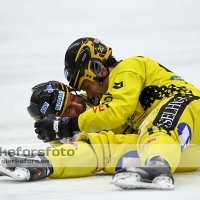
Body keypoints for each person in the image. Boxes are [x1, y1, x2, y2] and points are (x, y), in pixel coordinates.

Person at [35, 37, 200, 189]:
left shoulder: (128, 68)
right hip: (180, 151)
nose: (89, 95)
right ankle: (46, 164)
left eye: (86, 87)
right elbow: (97, 122)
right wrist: (57, 137)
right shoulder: (108, 98)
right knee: (104, 146)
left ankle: (157, 168)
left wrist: (69, 124)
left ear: (98, 69)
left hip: (188, 109)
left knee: (158, 127)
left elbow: (116, 111)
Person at [0, 80, 141, 181]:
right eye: (68, 110)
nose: (78, 105)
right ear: (55, 122)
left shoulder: (101, 95)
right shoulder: (67, 137)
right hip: (141, 150)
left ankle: (40, 163)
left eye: (73, 97)